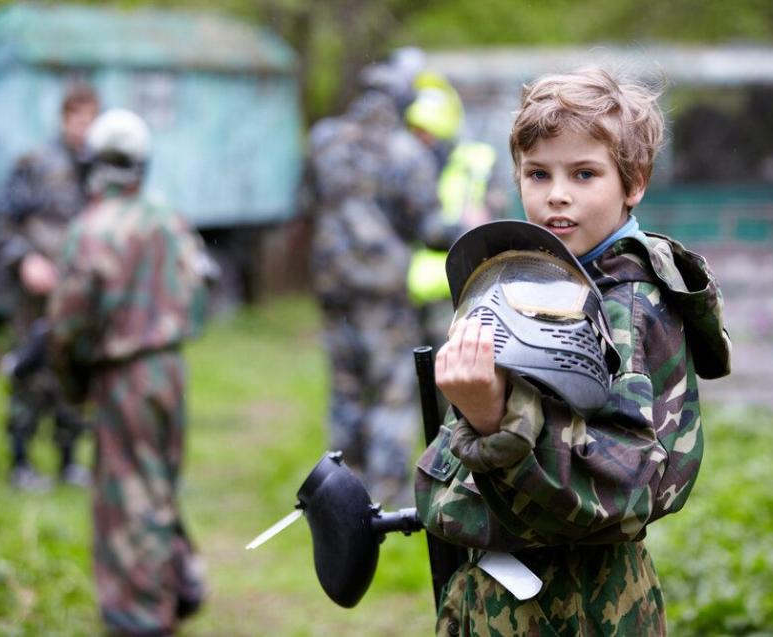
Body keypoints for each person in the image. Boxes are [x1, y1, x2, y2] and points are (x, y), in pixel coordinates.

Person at [415, 67, 732, 635]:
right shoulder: (548, 283)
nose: (557, 194)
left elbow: (624, 486)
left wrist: (495, 417)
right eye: (538, 174)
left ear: (633, 182)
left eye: (584, 173)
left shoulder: (626, 307)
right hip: (502, 592)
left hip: (575, 606)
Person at [48, 108, 209, 636]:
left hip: (121, 377)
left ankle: (140, 617)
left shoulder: (90, 228)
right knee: (159, 485)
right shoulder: (167, 218)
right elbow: (200, 290)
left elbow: (69, 324)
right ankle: (177, 584)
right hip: (168, 369)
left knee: (127, 499)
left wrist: (72, 388)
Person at [307, 54, 464, 507]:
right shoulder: (405, 151)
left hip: (333, 286)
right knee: (392, 397)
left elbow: (310, 198)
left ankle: (338, 495)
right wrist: (469, 232)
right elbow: (430, 228)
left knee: (345, 391)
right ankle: (385, 498)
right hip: (383, 292)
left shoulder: (325, 140)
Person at [0, 81, 99, 491]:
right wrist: (25, 260)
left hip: (75, 297)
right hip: (35, 295)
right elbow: (2, 224)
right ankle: (20, 462)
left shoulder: (98, 170)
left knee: (73, 373)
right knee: (30, 374)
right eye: (77, 118)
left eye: (91, 119)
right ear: (63, 119)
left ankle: (69, 461)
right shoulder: (35, 164)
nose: (83, 127)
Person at [404, 70, 505, 351]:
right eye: (415, 132)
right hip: (405, 294)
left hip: (456, 292)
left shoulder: (476, 163)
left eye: (426, 133)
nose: (420, 140)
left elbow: (489, 228)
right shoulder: (404, 166)